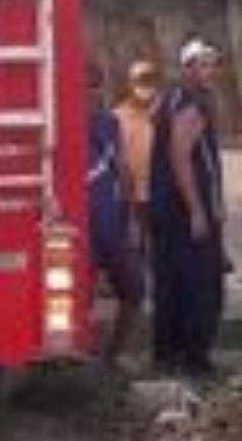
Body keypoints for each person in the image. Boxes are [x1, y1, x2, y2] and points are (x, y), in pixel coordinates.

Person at [150, 39, 226, 379]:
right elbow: (181, 156)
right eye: (204, 65)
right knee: (202, 283)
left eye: (214, 65)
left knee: (172, 281)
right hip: (184, 212)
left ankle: (169, 353)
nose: (212, 72)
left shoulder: (172, 100)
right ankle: (195, 356)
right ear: (188, 69)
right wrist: (198, 208)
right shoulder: (189, 105)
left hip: (170, 210)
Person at [88, 65, 144, 371]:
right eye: (86, 87)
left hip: (114, 224)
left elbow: (123, 169)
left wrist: (132, 217)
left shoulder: (109, 123)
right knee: (80, 296)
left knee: (134, 287)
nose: (93, 94)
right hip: (83, 229)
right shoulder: (64, 123)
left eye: (97, 86)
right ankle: (78, 359)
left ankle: (113, 355)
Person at [115, 60, 161, 254]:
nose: (146, 87)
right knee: (134, 250)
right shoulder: (118, 118)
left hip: (158, 195)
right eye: (141, 81)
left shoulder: (159, 114)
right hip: (130, 197)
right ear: (130, 84)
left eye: (150, 81)